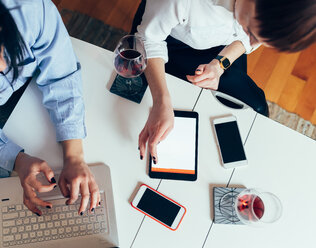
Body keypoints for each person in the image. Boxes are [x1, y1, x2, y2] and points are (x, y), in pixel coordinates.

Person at [0, 0, 99, 216]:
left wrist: (74, 156)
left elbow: (60, 73)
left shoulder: (27, 7)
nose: (2, 66)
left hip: (32, 97)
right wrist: (16, 159)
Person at [132, 0, 316, 164]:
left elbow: (246, 41)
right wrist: (161, 100)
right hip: (166, 41)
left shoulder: (265, 17)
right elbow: (149, 39)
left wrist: (221, 64)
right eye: (251, 31)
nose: (252, 42)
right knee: (145, 102)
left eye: (261, 40)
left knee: (256, 105)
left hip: (223, 49)